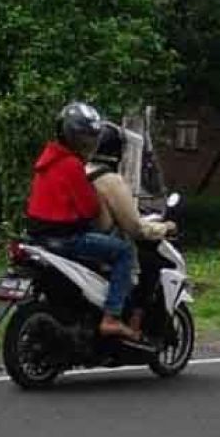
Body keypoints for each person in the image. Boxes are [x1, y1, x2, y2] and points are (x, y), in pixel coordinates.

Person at [25, 102, 140, 341]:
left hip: (38, 237)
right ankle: (112, 317)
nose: (86, 144)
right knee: (124, 252)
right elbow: (89, 209)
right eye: (84, 138)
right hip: (66, 239)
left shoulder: (46, 161)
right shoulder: (72, 165)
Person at [87, 122, 176, 333]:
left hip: (68, 236)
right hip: (98, 243)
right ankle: (124, 319)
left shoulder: (76, 170)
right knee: (149, 263)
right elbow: (134, 227)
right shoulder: (110, 180)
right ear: (117, 151)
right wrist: (164, 228)